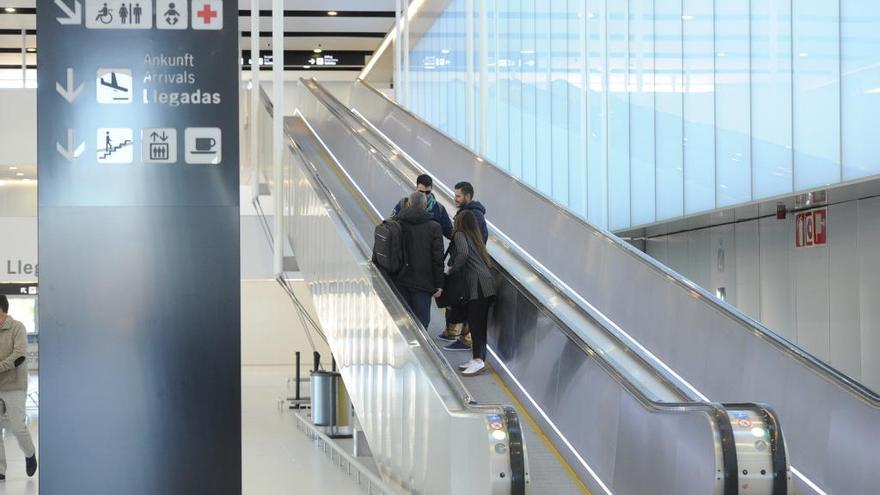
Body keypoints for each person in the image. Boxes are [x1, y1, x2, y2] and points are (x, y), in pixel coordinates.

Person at [445, 211, 496, 376]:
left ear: (460, 222)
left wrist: (452, 269)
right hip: (486, 283)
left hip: (478, 285)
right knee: (477, 323)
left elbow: (463, 254)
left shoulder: (460, 234)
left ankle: (479, 361)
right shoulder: (475, 237)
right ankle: (477, 358)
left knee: (476, 324)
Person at [440, 181, 489, 350]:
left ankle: (465, 339)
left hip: (468, 269)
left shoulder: (473, 215)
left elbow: (470, 246)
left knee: (466, 302)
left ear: (468, 196)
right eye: (455, 195)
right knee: (457, 300)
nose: (456, 198)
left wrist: (456, 265)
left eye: (458, 195)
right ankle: (452, 331)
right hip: (465, 266)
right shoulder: (467, 212)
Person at [394, 192, 445, 329]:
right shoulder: (434, 227)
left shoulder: (397, 222)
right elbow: (438, 258)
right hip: (423, 283)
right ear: (425, 205)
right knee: (421, 324)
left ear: (408, 204)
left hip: (400, 280)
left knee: (400, 321)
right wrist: (439, 284)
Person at [0, 296, 36, 481]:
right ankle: (0, 469)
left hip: (14, 384)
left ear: (1, 310)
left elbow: (19, 355)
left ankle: (30, 454)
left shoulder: (17, 327)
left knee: (17, 426)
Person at [392, 174, 453, 240]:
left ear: (431, 189)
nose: (424, 195)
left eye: (427, 192)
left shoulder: (439, 209)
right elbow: (390, 224)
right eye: (421, 191)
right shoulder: (403, 203)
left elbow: (450, 233)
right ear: (416, 188)